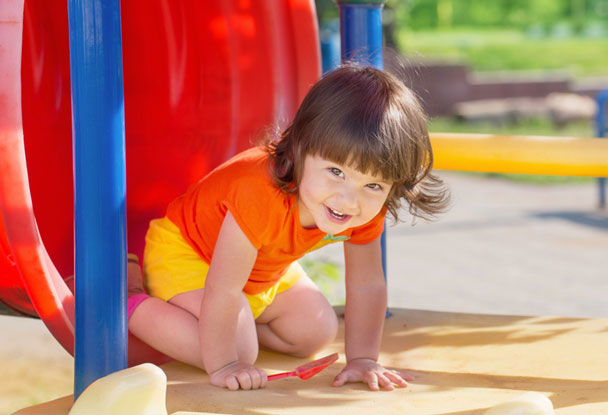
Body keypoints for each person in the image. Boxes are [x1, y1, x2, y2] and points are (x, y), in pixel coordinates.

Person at [127, 65, 448, 391]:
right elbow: (223, 287)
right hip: (190, 253)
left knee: (316, 331)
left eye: (374, 185)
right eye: (336, 171)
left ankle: (230, 327)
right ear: (298, 150)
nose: (349, 200)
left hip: (260, 268)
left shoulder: (365, 208)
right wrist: (225, 364)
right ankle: (130, 303)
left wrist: (363, 358)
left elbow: (367, 285)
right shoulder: (259, 191)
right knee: (238, 349)